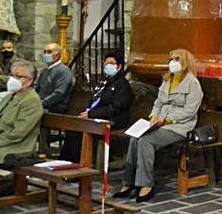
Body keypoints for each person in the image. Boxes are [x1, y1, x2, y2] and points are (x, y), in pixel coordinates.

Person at [114, 49, 202, 203]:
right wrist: (154, 116)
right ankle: (128, 183)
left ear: (185, 62)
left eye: (177, 59)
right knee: (135, 138)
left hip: (179, 127)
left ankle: (146, 185)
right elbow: (158, 103)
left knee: (145, 141)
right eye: (171, 59)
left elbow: (189, 111)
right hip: (159, 122)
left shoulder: (193, 83)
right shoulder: (168, 79)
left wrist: (166, 120)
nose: (173, 62)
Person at [60, 52, 133, 162]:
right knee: (74, 126)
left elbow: (115, 107)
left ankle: (76, 164)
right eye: (106, 63)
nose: (108, 66)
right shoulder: (104, 82)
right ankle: (65, 162)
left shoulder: (122, 85)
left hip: (114, 120)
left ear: (119, 67)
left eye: (112, 63)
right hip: (96, 115)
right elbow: (95, 100)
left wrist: (91, 114)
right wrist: (87, 112)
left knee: (78, 130)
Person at [0, 61, 42, 175]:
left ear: (29, 80)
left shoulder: (32, 101)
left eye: (18, 76)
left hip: (15, 148)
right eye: (12, 75)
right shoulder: (10, 96)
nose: (13, 79)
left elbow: (17, 133)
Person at [35, 42, 74, 114]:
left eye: (49, 52)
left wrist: (40, 103)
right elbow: (37, 88)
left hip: (54, 108)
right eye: (45, 52)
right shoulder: (45, 71)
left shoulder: (63, 71)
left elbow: (59, 93)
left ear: (57, 55)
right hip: (41, 105)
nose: (46, 55)